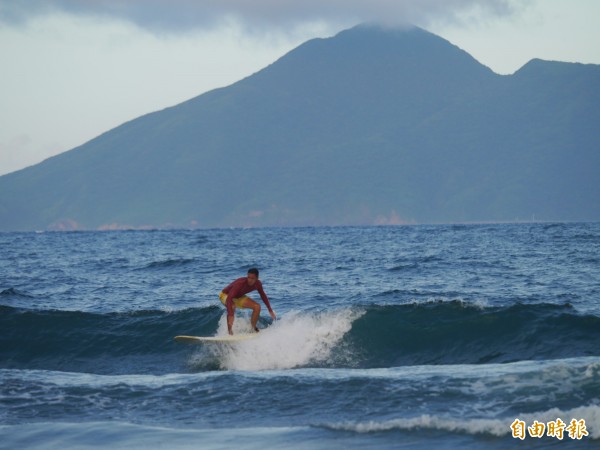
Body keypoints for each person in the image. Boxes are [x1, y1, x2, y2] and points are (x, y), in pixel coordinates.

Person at [219, 268, 276, 335]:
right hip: (225, 295)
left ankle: (252, 329)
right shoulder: (240, 283)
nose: (250, 280)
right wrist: (231, 314)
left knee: (257, 307)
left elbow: (263, 295)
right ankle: (230, 332)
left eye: (252, 278)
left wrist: (270, 309)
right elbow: (229, 299)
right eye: (248, 277)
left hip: (239, 297)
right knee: (232, 306)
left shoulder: (258, 284)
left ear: (257, 278)